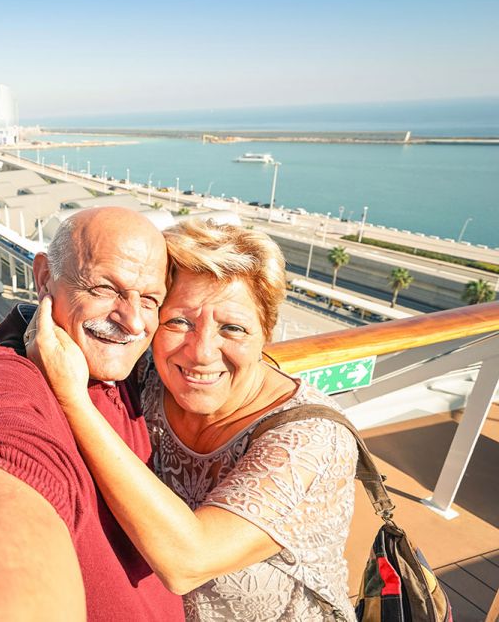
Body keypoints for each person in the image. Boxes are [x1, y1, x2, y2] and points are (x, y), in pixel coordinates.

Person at [26, 218, 358, 621]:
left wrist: (73, 399)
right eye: (179, 322)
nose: (201, 352)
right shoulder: (148, 377)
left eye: (232, 328)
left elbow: (188, 561)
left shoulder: (311, 440)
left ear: (266, 333)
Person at [0, 207, 185, 620]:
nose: (131, 320)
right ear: (43, 278)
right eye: (106, 288)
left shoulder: (121, 366)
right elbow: (5, 457)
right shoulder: (5, 381)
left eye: (149, 299)